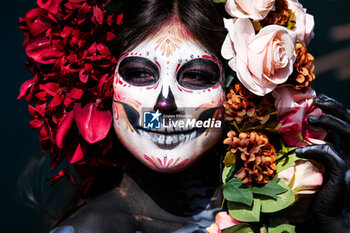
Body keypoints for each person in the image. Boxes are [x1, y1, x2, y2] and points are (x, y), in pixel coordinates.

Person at [19, 0, 350, 232]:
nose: (165, 104)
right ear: (104, 90)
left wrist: (332, 223)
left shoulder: (277, 215)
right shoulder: (95, 229)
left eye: (196, 76)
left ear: (242, 93)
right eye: (139, 74)